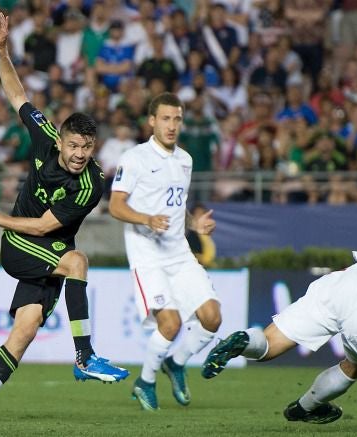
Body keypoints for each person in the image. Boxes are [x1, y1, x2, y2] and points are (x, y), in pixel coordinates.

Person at [0, 13, 128, 426]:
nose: (79, 153)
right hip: (20, 246)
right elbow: (16, 93)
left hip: (43, 243)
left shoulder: (90, 184)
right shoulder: (44, 137)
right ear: (61, 139)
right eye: (73, 145)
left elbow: (48, 227)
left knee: (24, 332)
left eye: (87, 146)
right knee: (77, 261)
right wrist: (2, 52)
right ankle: (85, 357)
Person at [201, 210, 357, 424]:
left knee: (269, 345)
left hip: (347, 281)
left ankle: (244, 340)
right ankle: (306, 407)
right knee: (355, 367)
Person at [108, 92, 222, 411]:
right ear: (152, 121)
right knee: (169, 325)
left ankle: (176, 363)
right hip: (148, 257)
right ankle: (145, 382)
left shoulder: (185, 160)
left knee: (212, 318)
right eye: (166, 119)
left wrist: (193, 224)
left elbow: (177, 207)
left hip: (179, 253)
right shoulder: (134, 159)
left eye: (177, 119)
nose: (172, 126)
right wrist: (145, 218)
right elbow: (116, 206)